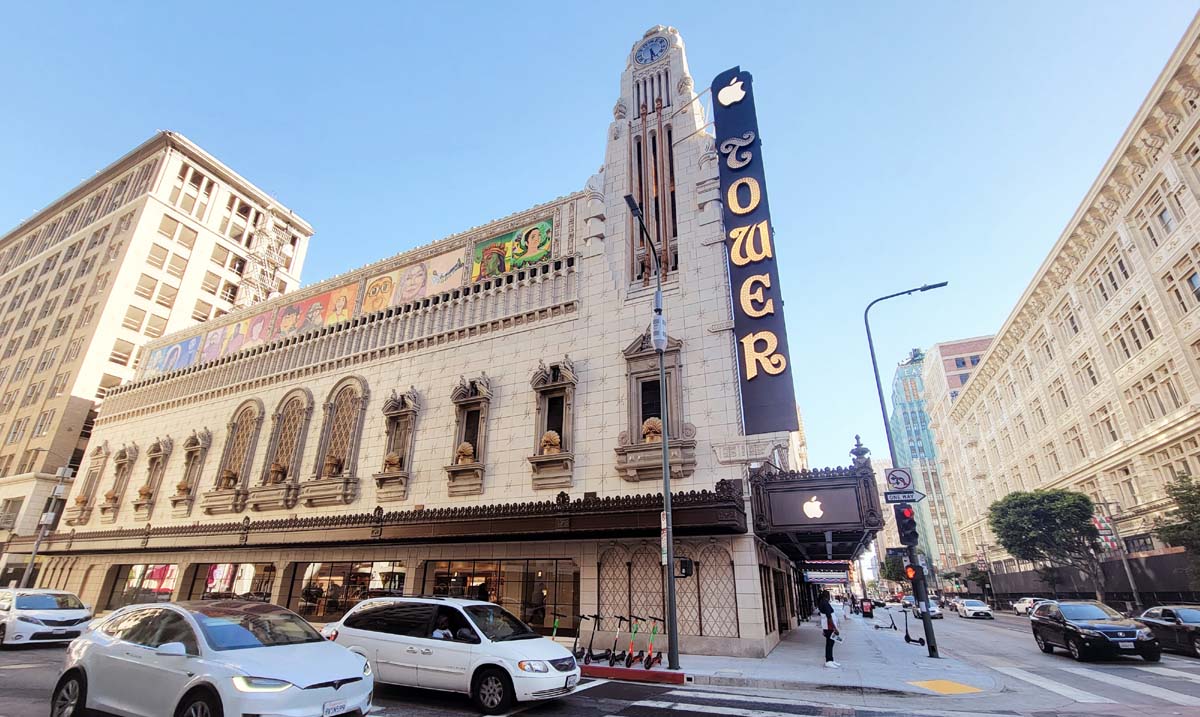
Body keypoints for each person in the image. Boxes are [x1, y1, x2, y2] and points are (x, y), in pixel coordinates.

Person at [818, 590, 840, 668]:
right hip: (829, 627)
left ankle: (831, 659)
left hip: (827, 627)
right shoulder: (825, 603)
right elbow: (829, 616)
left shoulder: (823, 602)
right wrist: (834, 628)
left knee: (830, 643)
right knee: (830, 643)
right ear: (827, 595)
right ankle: (828, 661)